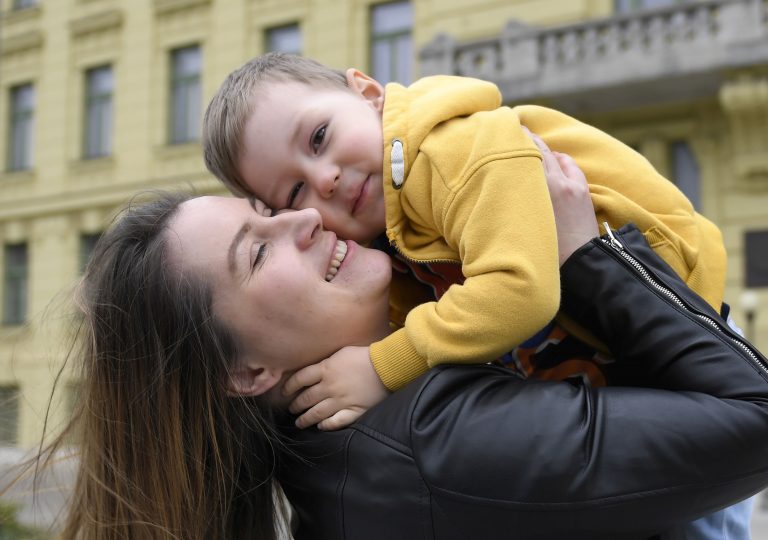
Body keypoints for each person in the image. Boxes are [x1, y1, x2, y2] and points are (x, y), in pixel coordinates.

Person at [8, 145, 763, 539]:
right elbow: (755, 415)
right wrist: (586, 258)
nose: (304, 219)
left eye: (266, 209)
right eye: (259, 252)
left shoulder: (347, 442)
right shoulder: (431, 443)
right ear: (248, 371)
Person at [201, 52, 727, 435]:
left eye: (319, 137)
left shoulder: (450, 152)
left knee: (703, 512)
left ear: (367, 93)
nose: (326, 180)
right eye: (296, 191)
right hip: (627, 358)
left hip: (679, 311)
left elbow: (519, 292)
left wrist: (383, 366)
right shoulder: (389, 233)